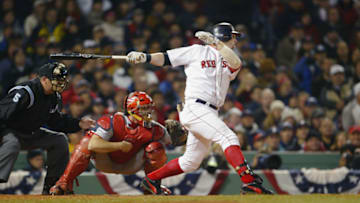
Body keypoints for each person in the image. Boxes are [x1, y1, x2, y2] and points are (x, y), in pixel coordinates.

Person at [126, 22, 272, 194]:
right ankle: (250, 182)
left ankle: (151, 180)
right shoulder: (197, 51)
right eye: (233, 36)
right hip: (196, 107)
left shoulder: (229, 58)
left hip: (210, 111)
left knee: (191, 162)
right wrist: (145, 57)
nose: (236, 40)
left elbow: (236, 63)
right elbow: (166, 58)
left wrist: (216, 43)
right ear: (224, 35)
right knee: (228, 137)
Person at [50, 91, 183, 195]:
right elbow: (93, 145)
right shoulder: (113, 121)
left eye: (149, 108)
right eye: (144, 108)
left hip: (131, 162)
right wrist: (119, 145)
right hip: (106, 160)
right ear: (132, 109)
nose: (148, 112)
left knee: (156, 148)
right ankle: (64, 183)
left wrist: (185, 126)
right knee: (86, 142)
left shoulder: (155, 128)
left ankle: (152, 185)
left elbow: (177, 141)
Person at [0, 62, 95, 194]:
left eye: (62, 80)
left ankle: (54, 187)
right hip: (9, 132)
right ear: (44, 79)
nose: (61, 83)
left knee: (60, 140)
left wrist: (78, 124)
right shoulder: (25, 92)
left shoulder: (54, 97)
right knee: (12, 143)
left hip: (31, 133)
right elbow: (2, 114)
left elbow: (56, 122)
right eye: (57, 80)